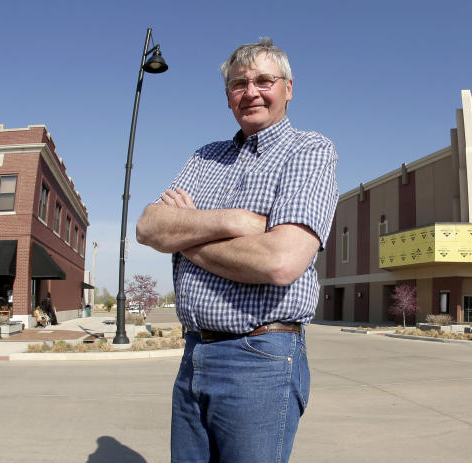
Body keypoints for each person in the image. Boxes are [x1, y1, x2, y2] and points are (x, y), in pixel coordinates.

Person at [136, 37, 338, 462]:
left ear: (288, 88)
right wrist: (233, 221)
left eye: (264, 80)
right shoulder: (204, 157)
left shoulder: (308, 151)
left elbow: (280, 261)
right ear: (228, 96)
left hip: (259, 357)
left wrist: (185, 239)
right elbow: (148, 226)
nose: (251, 92)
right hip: (194, 353)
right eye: (238, 83)